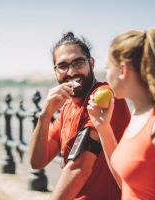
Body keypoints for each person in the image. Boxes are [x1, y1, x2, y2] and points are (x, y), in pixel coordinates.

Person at [87, 28, 155, 200]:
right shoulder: (138, 115)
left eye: (107, 67)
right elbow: (124, 182)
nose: (105, 74)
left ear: (122, 70)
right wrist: (103, 128)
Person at [28, 32, 131, 200]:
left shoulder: (104, 98)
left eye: (78, 63)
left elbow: (80, 168)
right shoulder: (67, 105)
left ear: (91, 63)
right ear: (55, 71)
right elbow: (37, 162)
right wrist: (45, 116)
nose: (71, 72)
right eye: (63, 66)